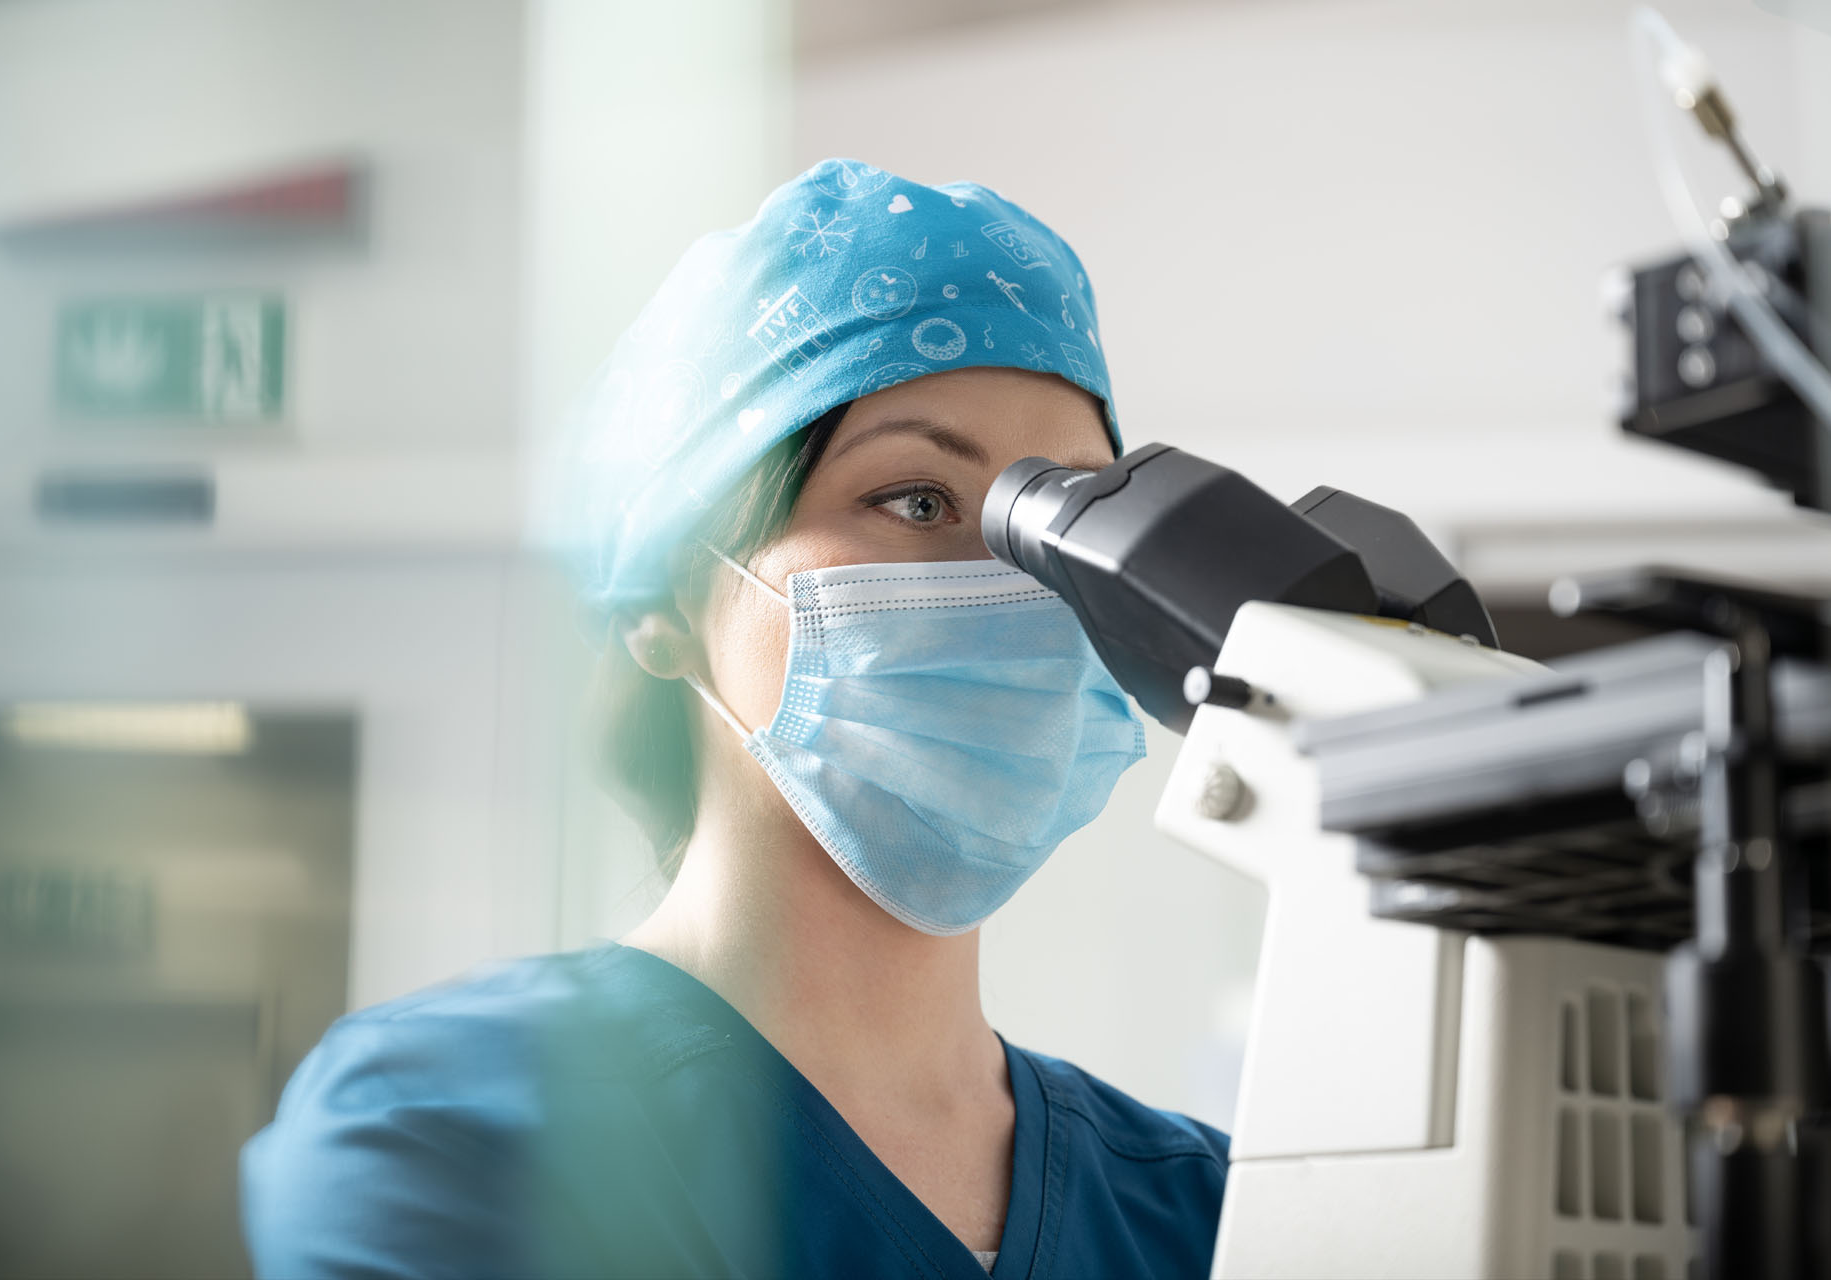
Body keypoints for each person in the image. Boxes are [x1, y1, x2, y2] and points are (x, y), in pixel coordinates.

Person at [240, 157, 1228, 1278]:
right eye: (916, 499)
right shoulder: (453, 1127)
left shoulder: (1210, 1210)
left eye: (1064, 519)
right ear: (664, 599)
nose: (1020, 589)